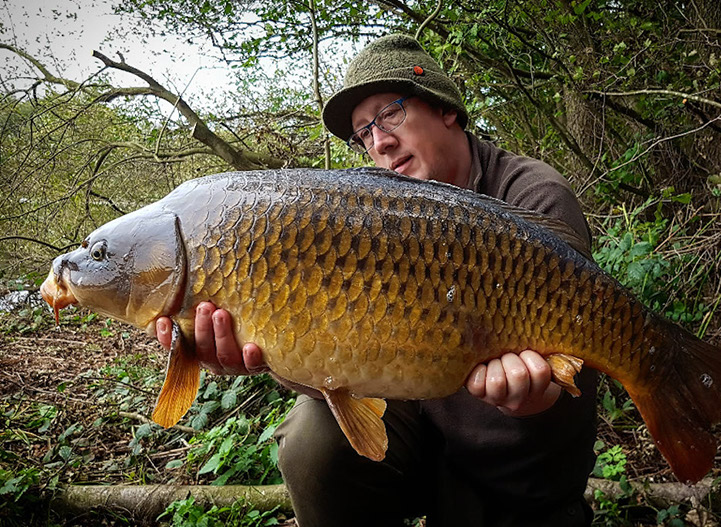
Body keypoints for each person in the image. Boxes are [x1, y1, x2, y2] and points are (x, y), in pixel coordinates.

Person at [156, 34, 597, 526]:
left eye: (390, 113)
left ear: (446, 109)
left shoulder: (533, 198)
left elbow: (576, 358)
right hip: (421, 445)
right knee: (311, 442)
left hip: (521, 470)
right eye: (364, 132)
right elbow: (338, 362)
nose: (380, 142)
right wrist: (264, 352)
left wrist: (540, 397)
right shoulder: (374, 217)